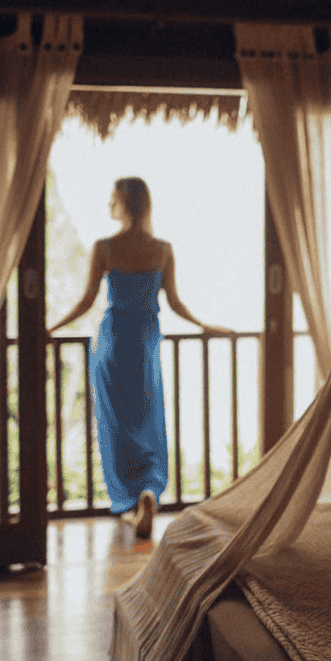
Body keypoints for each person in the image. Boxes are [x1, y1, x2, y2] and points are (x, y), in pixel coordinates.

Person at [49, 177, 231, 538]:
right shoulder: (162, 249)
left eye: (113, 199)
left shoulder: (106, 248)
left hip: (113, 344)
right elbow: (175, 304)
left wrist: (50, 329)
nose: (108, 206)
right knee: (148, 423)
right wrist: (206, 327)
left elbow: (86, 302)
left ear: (126, 204)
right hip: (145, 345)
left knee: (117, 428)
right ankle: (148, 493)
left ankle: (131, 503)